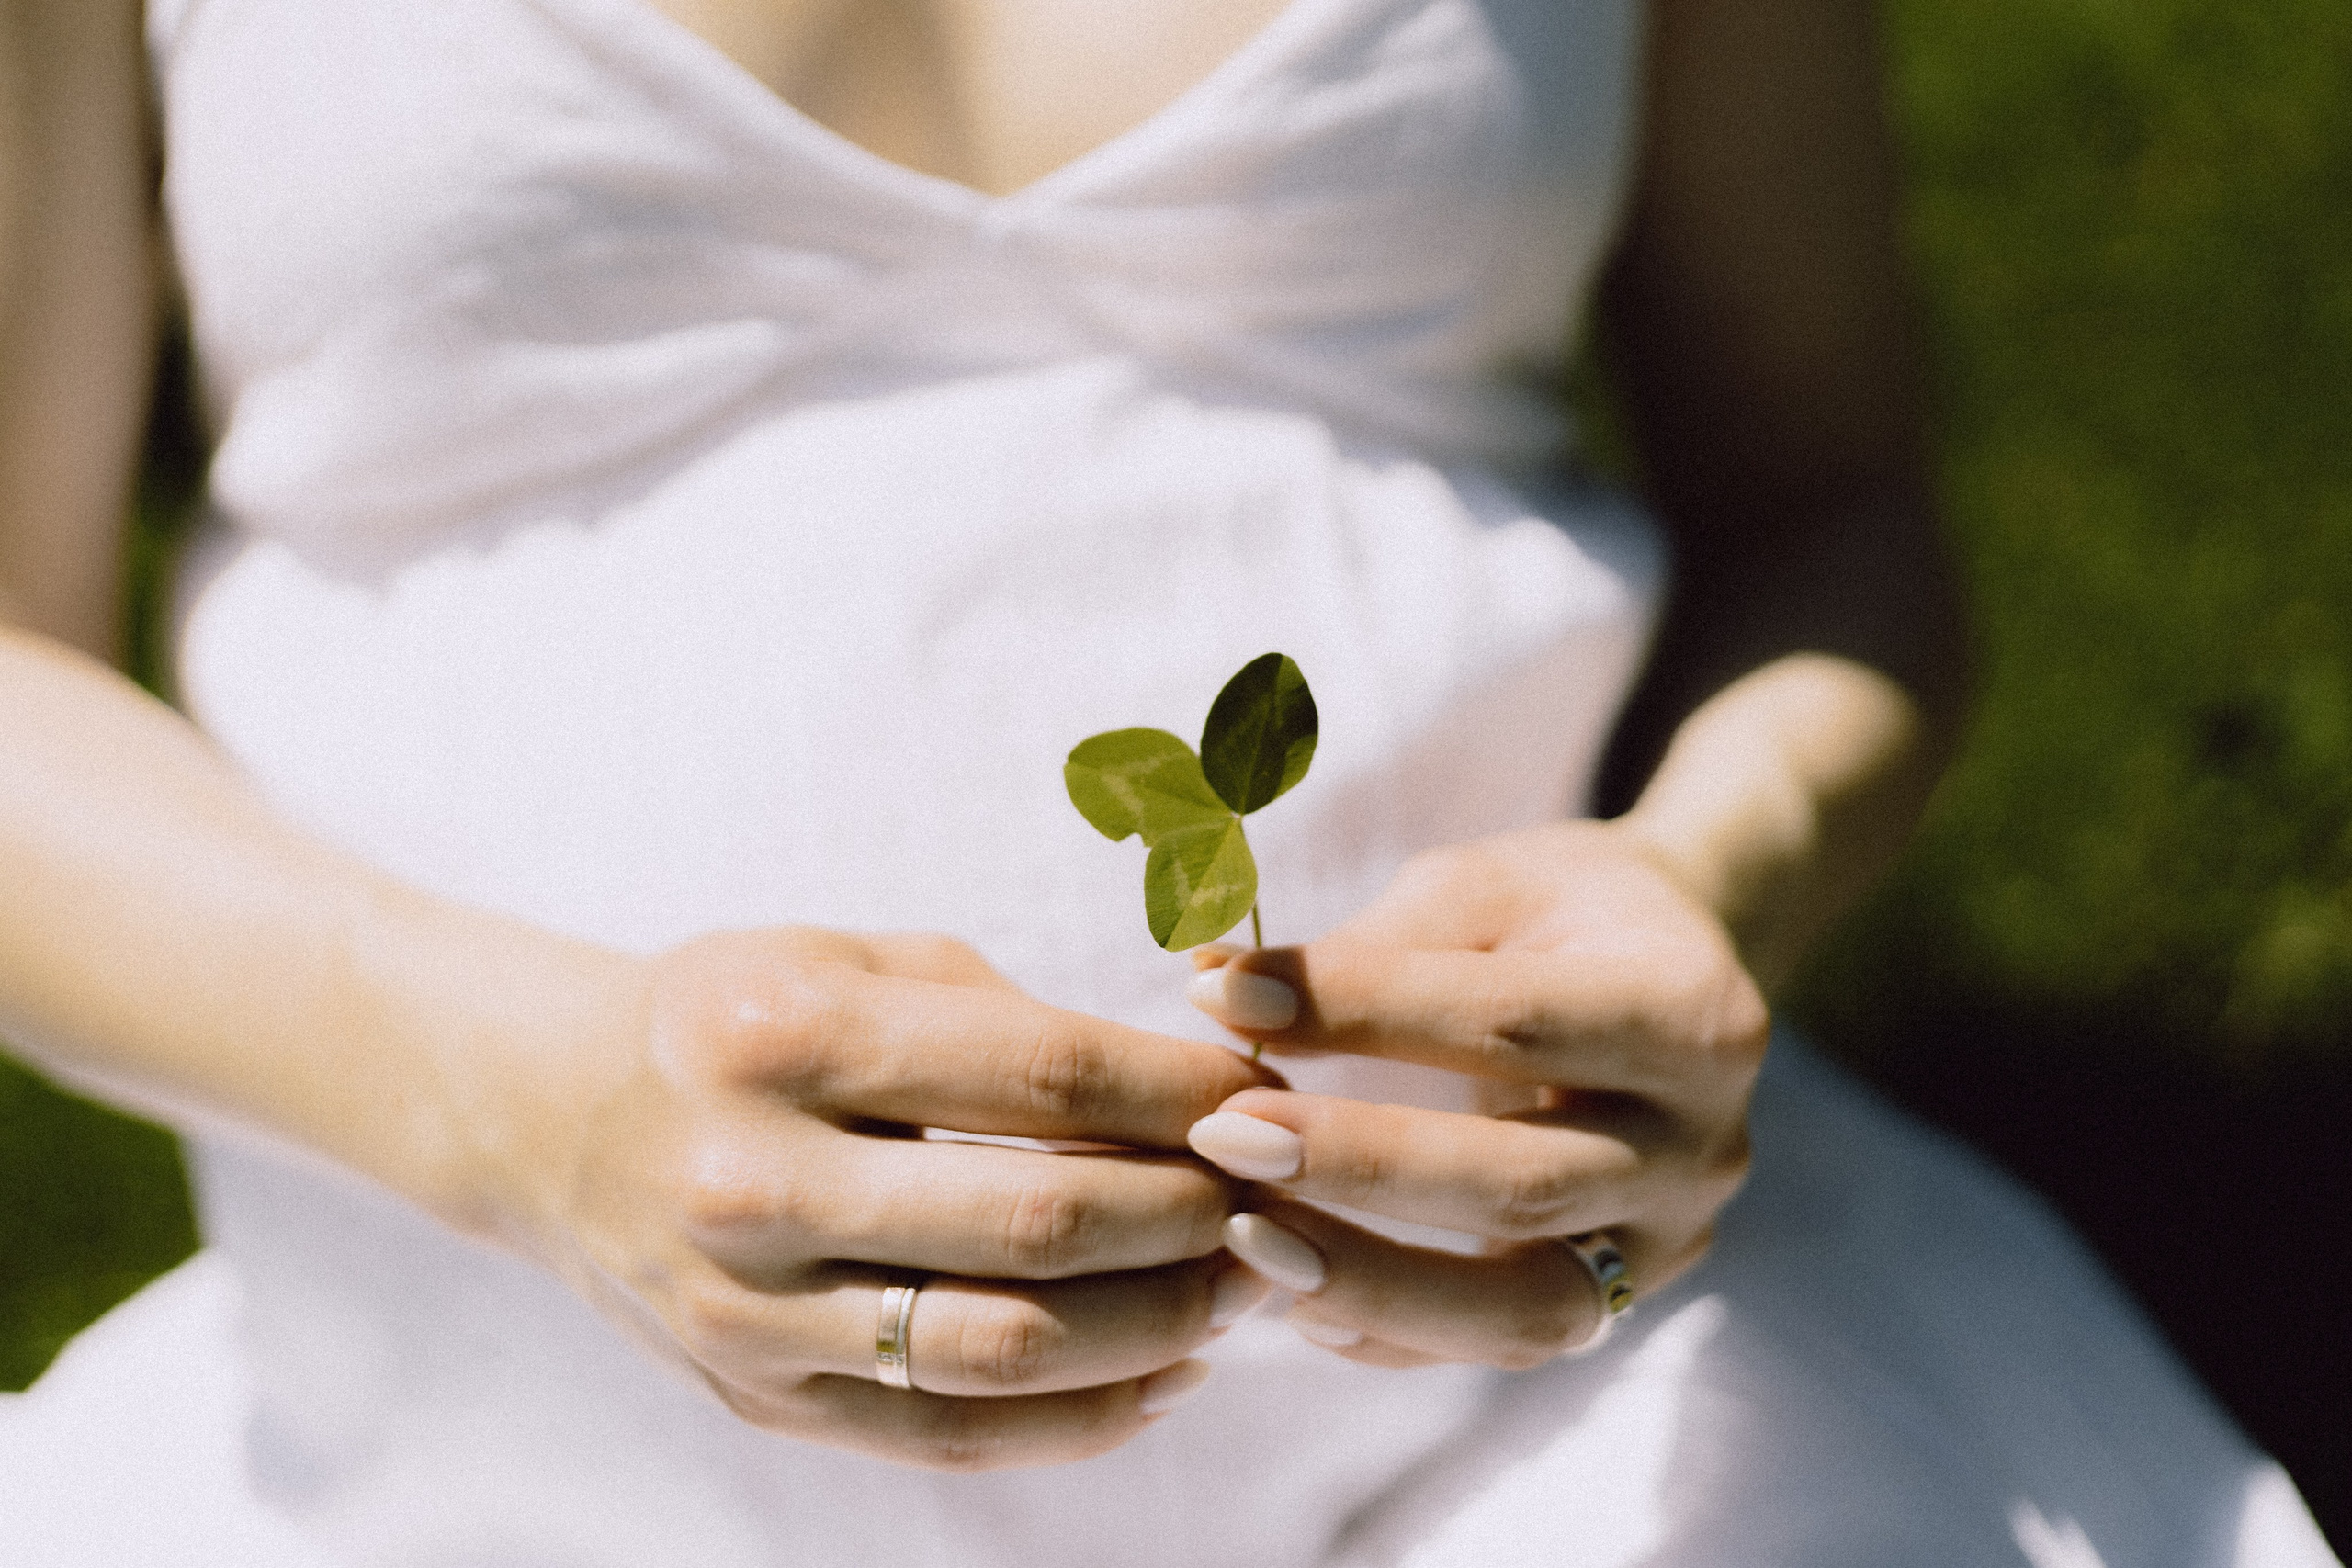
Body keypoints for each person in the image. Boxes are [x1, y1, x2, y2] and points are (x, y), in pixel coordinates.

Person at [0, 0, 2335, 1562]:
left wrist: (1709, 881)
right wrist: (517, 1109)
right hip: (457, 1464)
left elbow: (1832, 511)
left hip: (1593, 1435)